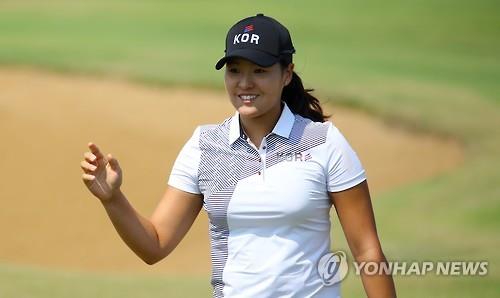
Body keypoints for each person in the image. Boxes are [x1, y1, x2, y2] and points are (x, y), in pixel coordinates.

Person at [80, 13, 396, 298]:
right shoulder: (204, 145)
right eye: (234, 71)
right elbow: (155, 244)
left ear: (287, 74)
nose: (245, 83)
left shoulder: (323, 142)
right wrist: (113, 199)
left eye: (259, 71)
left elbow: (367, 250)